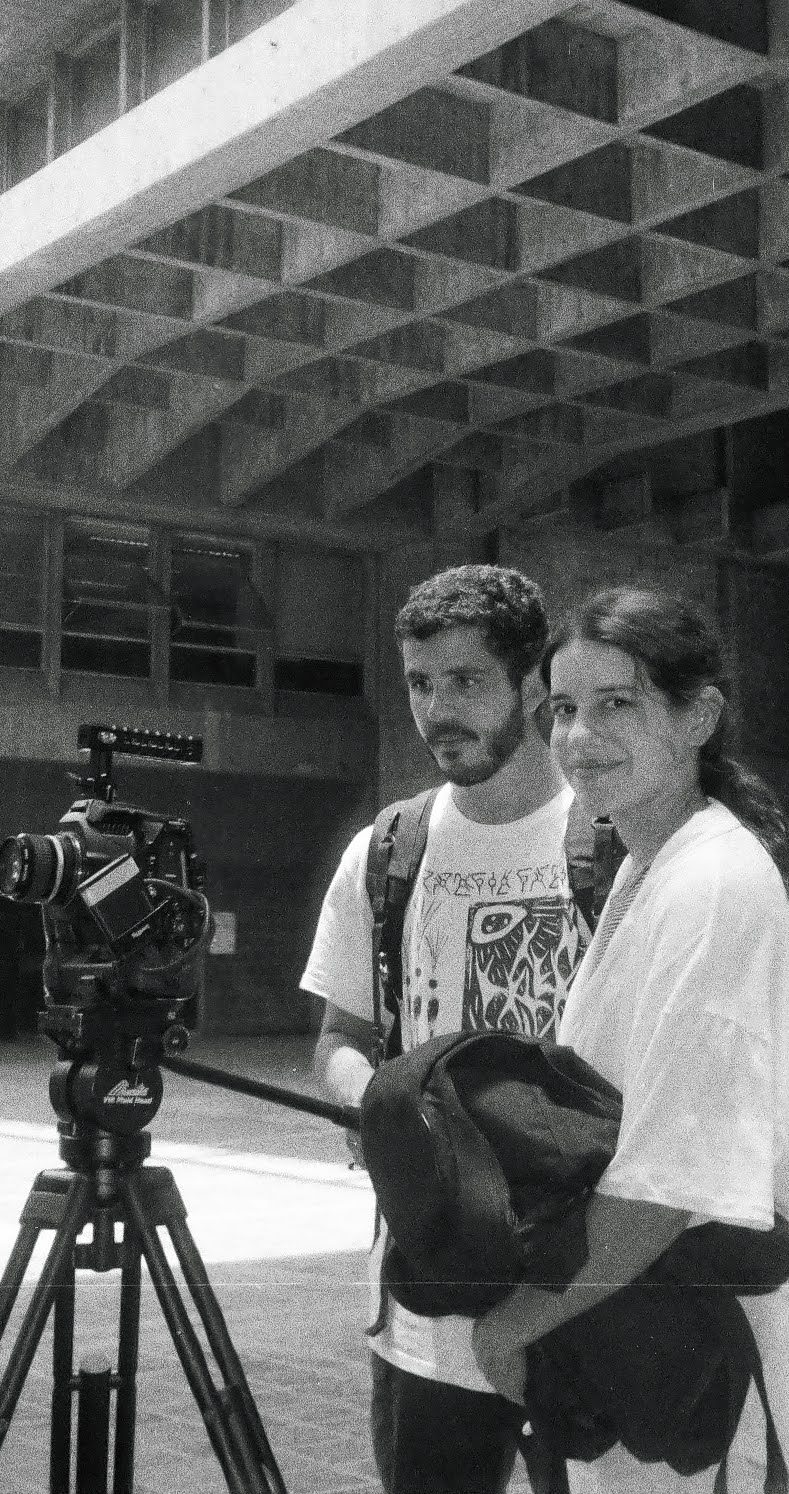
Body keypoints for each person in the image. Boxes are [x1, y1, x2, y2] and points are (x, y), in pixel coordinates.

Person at [475, 586, 789, 1492]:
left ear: (698, 717)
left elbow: (667, 1181)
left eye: (617, 703)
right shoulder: (650, 865)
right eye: (563, 708)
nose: (579, 736)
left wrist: (515, 1323)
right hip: (645, 1332)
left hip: (707, 1360)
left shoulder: (710, 885)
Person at [300, 564, 589, 1494]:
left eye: (465, 681)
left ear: (533, 683)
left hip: (583, 1281)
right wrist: (383, 1105)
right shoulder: (386, 850)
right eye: (420, 683)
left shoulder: (611, 839)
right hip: (428, 1293)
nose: (436, 710)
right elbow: (341, 1036)